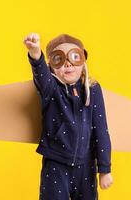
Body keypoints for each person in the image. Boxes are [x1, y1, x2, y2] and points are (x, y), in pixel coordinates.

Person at [23, 33, 113, 200]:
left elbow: (101, 130)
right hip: (56, 165)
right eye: (59, 60)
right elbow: (40, 74)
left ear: (83, 60)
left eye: (74, 57)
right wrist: (35, 54)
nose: (68, 64)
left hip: (86, 166)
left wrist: (105, 169)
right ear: (51, 66)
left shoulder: (92, 89)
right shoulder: (51, 90)